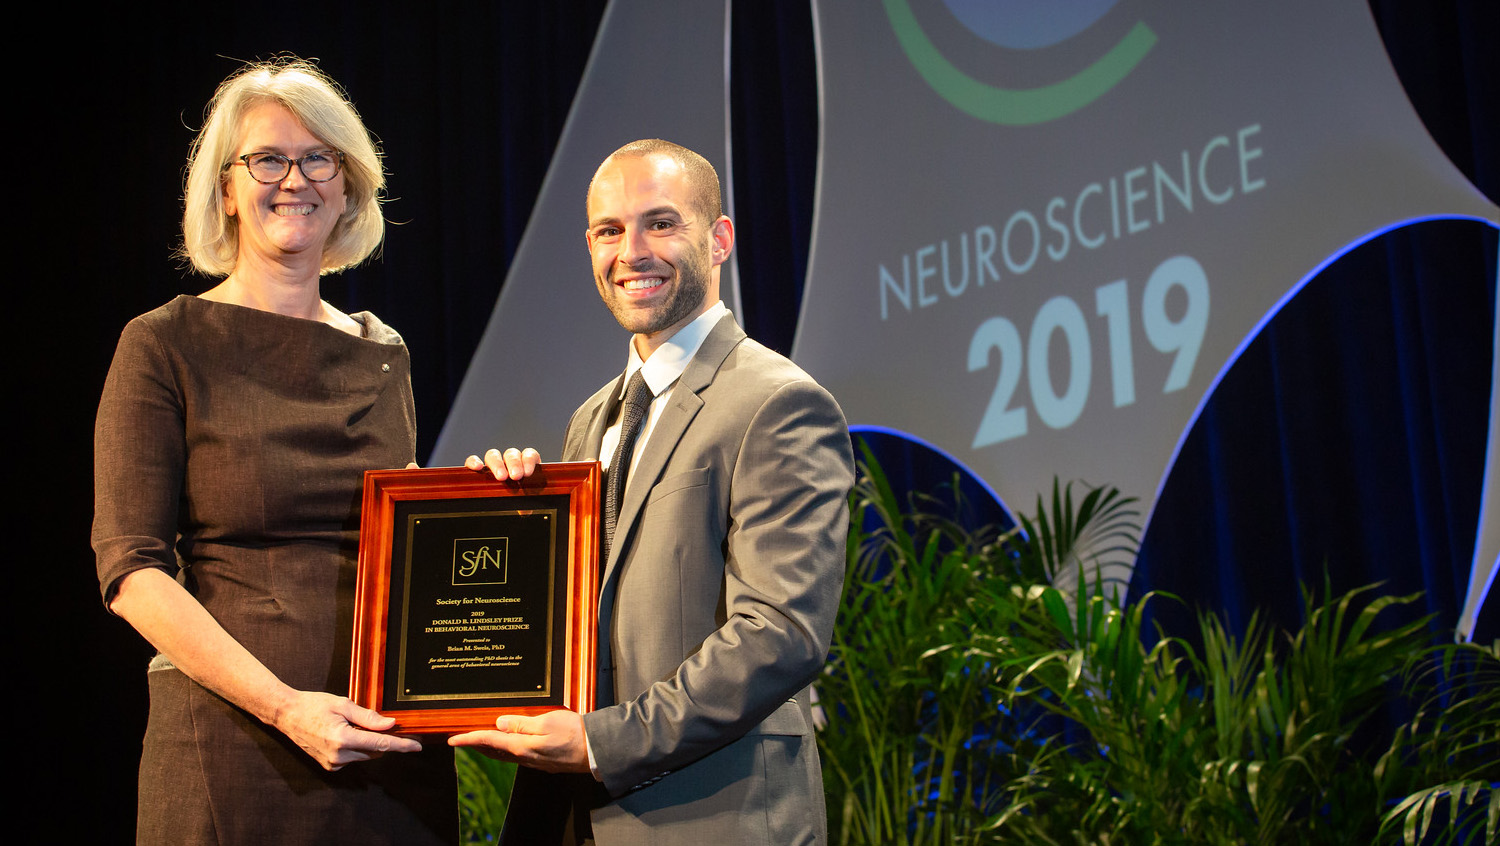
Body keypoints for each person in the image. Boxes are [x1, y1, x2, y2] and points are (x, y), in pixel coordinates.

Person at [92, 58, 455, 844]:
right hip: (233, 751)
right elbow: (131, 572)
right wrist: (287, 708)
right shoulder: (163, 344)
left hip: (387, 749)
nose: (296, 178)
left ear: (350, 187)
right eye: (267, 158)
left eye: (319, 157)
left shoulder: (381, 350)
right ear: (226, 188)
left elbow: (407, 539)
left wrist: (502, 500)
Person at [450, 139, 854, 845]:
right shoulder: (591, 419)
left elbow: (780, 636)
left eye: (660, 224)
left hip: (713, 818)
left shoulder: (779, 403)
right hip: (575, 818)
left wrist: (603, 742)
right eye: (610, 230)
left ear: (719, 238)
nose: (631, 251)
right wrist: (509, 518)